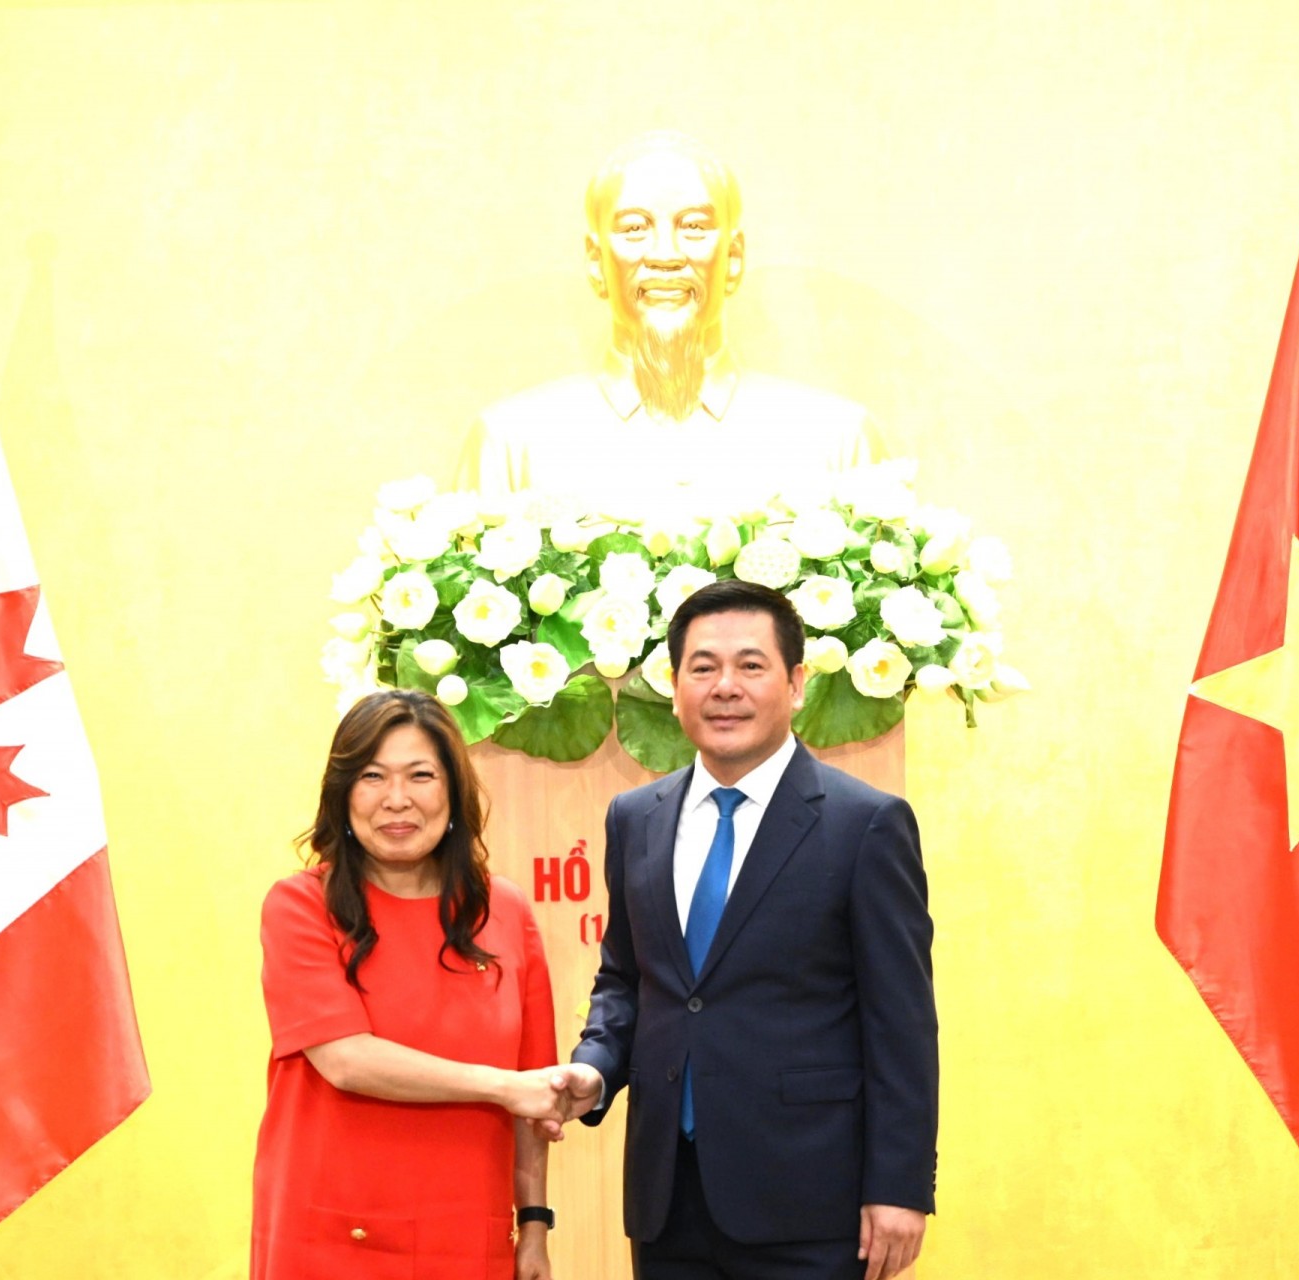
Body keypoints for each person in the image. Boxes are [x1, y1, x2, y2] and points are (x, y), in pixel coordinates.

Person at [546, 580, 939, 1280]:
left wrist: (899, 1187)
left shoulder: (865, 825)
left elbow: (901, 1023)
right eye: (703, 667)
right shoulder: (634, 819)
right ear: (674, 687)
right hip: (669, 1200)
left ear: (794, 684)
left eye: (750, 666)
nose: (725, 686)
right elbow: (627, 980)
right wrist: (596, 1068)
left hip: (812, 1203)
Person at [251, 690, 567, 1279]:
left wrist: (535, 1226)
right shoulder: (300, 906)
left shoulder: (505, 911)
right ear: (343, 795)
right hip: (332, 1239)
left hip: (467, 1234)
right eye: (373, 776)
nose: (397, 800)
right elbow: (346, 1060)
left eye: (420, 775)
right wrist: (503, 1086)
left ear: (452, 792)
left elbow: (532, 1098)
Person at [461, 132, 883, 521]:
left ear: (734, 257)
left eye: (694, 227)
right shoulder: (511, 445)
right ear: (596, 261)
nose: (665, 254)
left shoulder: (838, 440)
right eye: (635, 228)